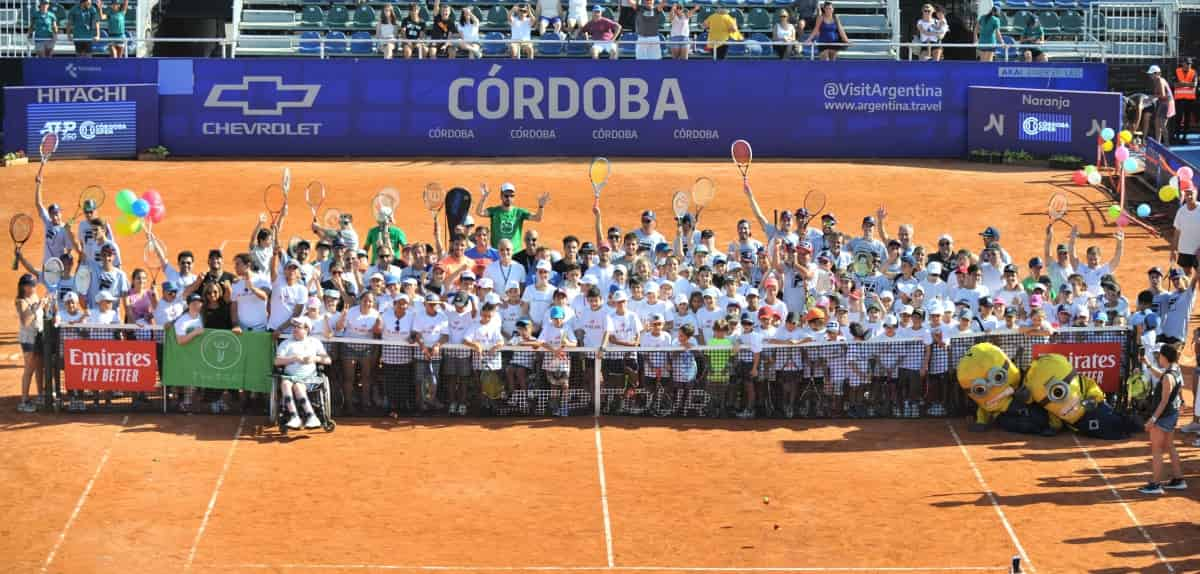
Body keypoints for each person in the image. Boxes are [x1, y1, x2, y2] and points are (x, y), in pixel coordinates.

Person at [1136, 344, 1187, 494]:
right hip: (1171, 415)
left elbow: (1164, 401)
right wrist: (1148, 364)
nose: (1158, 357)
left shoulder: (1168, 377)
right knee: (1170, 446)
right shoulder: (1175, 370)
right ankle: (1178, 479)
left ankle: (1156, 484)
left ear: (1164, 357)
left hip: (1163, 417)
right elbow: (1163, 377)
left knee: (1157, 450)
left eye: (1159, 355)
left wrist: (1152, 419)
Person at [274, 316, 332, 430]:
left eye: (298, 327)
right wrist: (293, 359)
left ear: (306, 329)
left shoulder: (314, 342)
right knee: (285, 384)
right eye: (294, 326)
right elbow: (276, 361)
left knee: (298, 386)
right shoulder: (286, 343)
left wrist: (315, 359)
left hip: (309, 378)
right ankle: (294, 417)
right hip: (290, 377)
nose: (295, 329)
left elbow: (328, 360)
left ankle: (312, 417)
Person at [477, 182, 547, 251]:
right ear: (501, 196)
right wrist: (484, 197)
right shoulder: (494, 211)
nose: (509, 198)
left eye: (512, 196)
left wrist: (541, 206)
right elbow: (480, 212)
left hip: (515, 253)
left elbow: (537, 218)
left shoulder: (519, 212)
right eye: (506, 196)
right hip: (497, 252)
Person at [15, 274, 45, 413]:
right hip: (28, 339)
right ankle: (24, 400)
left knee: (39, 367)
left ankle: (40, 395)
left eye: (34, 284)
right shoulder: (21, 301)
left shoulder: (34, 296)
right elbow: (26, 322)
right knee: (29, 369)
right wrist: (38, 307)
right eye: (30, 285)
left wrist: (44, 305)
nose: (33, 287)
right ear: (23, 286)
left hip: (38, 336)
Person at [1148, 65, 1176, 144]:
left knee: (1162, 125)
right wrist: (1152, 97)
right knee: (1157, 124)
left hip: (1167, 103)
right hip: (1163, 103)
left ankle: (1167, 145)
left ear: (1157, 73)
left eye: (1152, 74)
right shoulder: (1156, 80)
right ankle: (1158, 144)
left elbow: (1163, 95)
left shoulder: (1160, 80)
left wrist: (1151, 97)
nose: (1150, 75)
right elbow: (1160, 95)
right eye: (1150, 74)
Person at [1175, 57, 1197, 144]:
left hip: (1189, 99)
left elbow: (1194, 85)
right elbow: (1175, 84)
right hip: (1179, 99)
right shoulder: (1177, 71)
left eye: (1190, 64)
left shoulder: (1193, 72)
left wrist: (1182, 83)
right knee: (1178, 118)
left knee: (1187, 119)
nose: (1189, 65)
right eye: (1187, 63)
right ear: (1183, 63)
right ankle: (1177, 136)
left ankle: (1184, 137)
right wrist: (1188, 84)